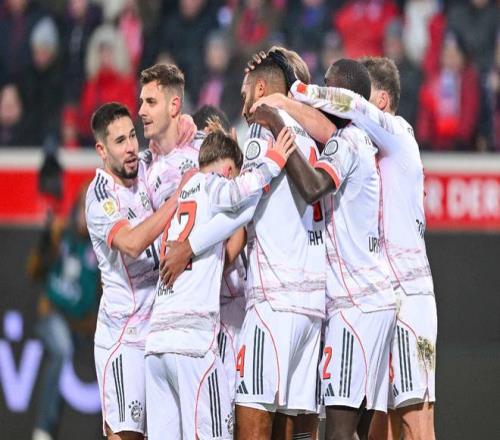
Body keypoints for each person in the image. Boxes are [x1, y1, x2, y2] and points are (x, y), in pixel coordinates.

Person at [260, 55, 437, 439]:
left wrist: (293, 94)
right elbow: (327, 127)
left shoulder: (395, 132)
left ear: (381, 101)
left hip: (404, 293)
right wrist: (285, 82)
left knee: (415, 419)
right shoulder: (366, 143)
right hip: (381, 291)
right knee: (383, 424)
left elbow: (349, 107)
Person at [160, 54, 327, 439]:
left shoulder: (263, 130)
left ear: (262, 89)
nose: (242, 105)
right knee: (296, 428)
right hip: (311, 304)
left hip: (273, 301)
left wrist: (190, 246)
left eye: (244, 93)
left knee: (251, 421)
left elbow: (243, 205)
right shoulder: (313, 134)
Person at [146, 122, 296, 440]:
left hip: (157, 343)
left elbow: (237, 216)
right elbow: (240, 195)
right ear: (228, 171)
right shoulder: (212, 183)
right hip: (192, 342)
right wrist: (274, 160)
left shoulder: (184, 193)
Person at [85, 102, 191, 440]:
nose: (131, 146)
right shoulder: (100, 197)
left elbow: (171, 140)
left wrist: (187, 125)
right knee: (127, 436)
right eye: (120, 141)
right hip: (125, 338)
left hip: (159, 332)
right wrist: (176, 199)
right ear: (102, 150)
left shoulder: (144, 166)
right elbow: (131, 243)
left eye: (132, 136)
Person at [27, 187, 100, 440]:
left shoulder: (100, 249)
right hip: (53, 316)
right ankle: (44, 428)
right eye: (81, 208)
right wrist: (46, 243)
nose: (83, 216)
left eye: (89, 210)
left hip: (79, 325)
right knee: (62, 348)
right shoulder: (61, 234)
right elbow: (34, 272)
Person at [138, 63, 203, 211]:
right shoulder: (142, 169)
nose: (141, 111)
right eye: (142, 102)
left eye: (151, 102)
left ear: (174, 106)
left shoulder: (204, 148)